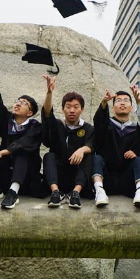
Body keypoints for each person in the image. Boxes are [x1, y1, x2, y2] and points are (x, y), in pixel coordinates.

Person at [0, 67, 43, 210]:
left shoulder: (35, 126)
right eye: (18, 101)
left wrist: (3, 152)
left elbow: (24, 143)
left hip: (26, 177)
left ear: (30, 113)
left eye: (24, 103)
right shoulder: (8, 121)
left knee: (21, 152)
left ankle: (13, 192)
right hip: (6, 172)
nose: (18, 103)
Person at [90, 85, 140, 209]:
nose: (122, 103)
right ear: (112, 108)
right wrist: (104, 103)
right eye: (118, 101)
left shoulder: (136, 129)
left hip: (127, 180)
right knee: (96, 158)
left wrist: (135, 152)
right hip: (107, 178)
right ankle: (99, 191)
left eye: (126, 100)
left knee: (139, 159)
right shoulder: (106, 125)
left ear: (131, 108)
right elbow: (99, 123)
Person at [40, 75, 93, 209]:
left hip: (77, 176)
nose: (72, 110)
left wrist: (82, 150)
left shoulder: (87, 128)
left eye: (76, 107)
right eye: (68, 107)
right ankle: (55, 192)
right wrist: (49, 93)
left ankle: (76, 193)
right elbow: (47, 114)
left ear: (82, 109)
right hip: (58, 175)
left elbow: (92, 144)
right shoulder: (57, 125)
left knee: (89, 156)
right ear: (63, 109)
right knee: (49, 156)